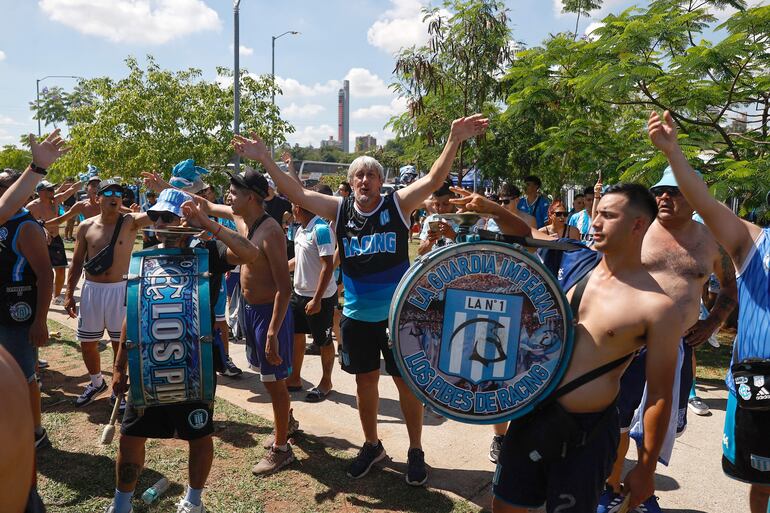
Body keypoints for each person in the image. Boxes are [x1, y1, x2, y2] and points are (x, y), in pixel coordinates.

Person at [232, 113, 489, 486]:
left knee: (405, 384)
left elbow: (433, 179)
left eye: (371, 175)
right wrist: (267, 160)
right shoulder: (340, 211)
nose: (364, 180)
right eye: (358, 175)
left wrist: (454, 140)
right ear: (350, 183)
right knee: (364, 383)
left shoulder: (397, 205)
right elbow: (297, 194)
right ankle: (372, 445)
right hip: (355, 316)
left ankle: (416, 450)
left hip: (399, 318)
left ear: (381, 182)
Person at [449, 182, 681, 512]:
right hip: (532, 416)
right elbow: (524, 234)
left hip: (586, 436)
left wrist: (646, 468)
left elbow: (659, 394)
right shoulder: (575, 258)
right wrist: (490, 207)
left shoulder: (656, 306)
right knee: (504, 508)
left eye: (608, 216)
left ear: (638, 225)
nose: (596, 222)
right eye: (596, 213)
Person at [105, 188, 259, 513]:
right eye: (156, 216)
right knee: (130, 436)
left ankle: (193, 500)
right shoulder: (146, 256)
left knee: (199, 436)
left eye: (168, 217)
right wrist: (119, 366)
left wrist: (208, 222)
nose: (160, 222)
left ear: (184, 219)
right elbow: (132, 311)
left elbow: (251, 254)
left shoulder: (209, 252)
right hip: (149, 367)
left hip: (193, 367)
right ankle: (121, 504)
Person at [649, 110, 770, 513]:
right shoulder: (752, 243)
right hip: (759, 385)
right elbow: (702, 200)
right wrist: (673, 153)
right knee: (761, 481)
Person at [598, 165, 738, 513]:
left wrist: (712, 325)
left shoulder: (710, 241)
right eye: (660, 190)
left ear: (692, 198)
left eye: (674, 192)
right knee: (616, 422)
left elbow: (729, 290)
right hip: (632, 345)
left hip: (677, 347)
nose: (664, 197)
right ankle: (609, 487)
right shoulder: (637, 231)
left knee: (656, 426)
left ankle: (644, 490)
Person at [195, 168, 295, 475]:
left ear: (251, 197)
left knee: (273, 383)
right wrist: (165, 188)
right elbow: (209, 207)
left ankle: (281, 448)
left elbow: (284, 287)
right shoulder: (245, 221)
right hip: (252, 312)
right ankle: (286, 422)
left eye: (234, 192)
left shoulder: (271, 232)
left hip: (269, 316)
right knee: (271, 381)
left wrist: (273, 332)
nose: (228, 196)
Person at [64, 179, 152, 408]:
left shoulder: (131, 222)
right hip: (92, 290)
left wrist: (163, 187)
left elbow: (163, 212)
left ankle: (118, 387)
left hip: (120, 290)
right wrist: (69, 293)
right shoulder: (86, 226)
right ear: (97, 198)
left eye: (119, 193)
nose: (114, 197)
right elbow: (75, 263)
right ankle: (96, 382)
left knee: (119, 344)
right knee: (87, 342)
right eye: (108, 192)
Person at [0, 169, 54, 452]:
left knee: (24, 375)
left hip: (18, 312)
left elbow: (46, 275)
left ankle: (36, 433)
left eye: (5, 185)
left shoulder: (26, 225)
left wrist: (40, 321)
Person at [285, 184, 338, 402]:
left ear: (299, 207)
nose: (290, 209)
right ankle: (295, 377)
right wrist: (277, 268)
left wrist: (316, 299)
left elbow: (327, 266)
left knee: (323, 340)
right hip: (299, 293)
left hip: (321, 297)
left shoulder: (321, 230)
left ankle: (326, 382)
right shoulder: (301, 229)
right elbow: (301, 260)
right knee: (297, 336)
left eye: (293, 205)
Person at [26, 178, 79, 304]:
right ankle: (38, 296)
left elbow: (71, 191)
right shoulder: (32, 207)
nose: (53, 191)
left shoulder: (56, 200)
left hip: (55, 239)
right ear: (41, 192)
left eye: (53, 189)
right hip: (39, 241)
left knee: (60, 270)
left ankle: (56, 297)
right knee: (41, 272)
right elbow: (25, 224)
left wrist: (83, 180)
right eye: (50, 189)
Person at [417, 180, 458, 256]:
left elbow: (473, 250)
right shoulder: (431, 220)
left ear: (454, 200)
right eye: (437, 204)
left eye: (446, 204)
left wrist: (453, 236)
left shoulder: (465, 219)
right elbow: (421, 253)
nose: (441, 209)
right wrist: (430, 241)